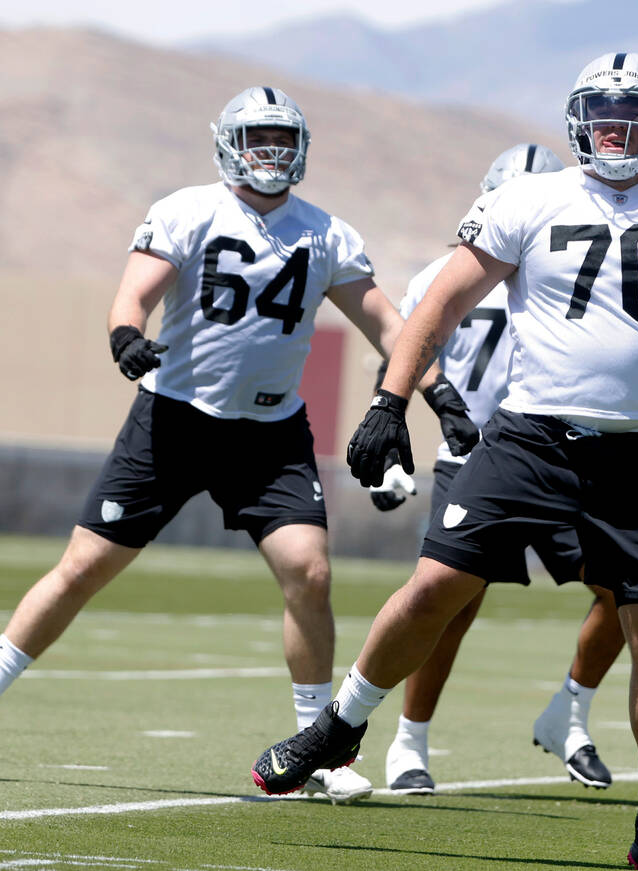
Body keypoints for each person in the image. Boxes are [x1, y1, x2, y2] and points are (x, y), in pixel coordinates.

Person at [252, 52, 638, 871]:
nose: (614, 132)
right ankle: (339, 725)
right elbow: (441, 301)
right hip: (531, 438)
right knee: (435, 587)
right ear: (579, 121)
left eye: (631, 117)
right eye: (603, 116)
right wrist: (389, 400)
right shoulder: (527, 198)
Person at [0, 86, 447, 804]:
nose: (271, 151)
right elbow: (134, 293)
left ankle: (316, 751)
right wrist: (125, 334)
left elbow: (390, 327)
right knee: (83, 567)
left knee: (310, 572)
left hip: (269, 435)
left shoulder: (327, 233)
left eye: (282, 139)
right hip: (172, 420)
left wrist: (437, 394)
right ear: (228, 144)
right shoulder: (187, 210)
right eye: (258, 138)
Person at [372, 144, 623, 794]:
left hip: (561, 456)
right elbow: (406, 354)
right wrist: (395, 442)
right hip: (474, 458)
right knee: (449, 604)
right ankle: (408, 742)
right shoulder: (446, 273)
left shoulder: (580, 269)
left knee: (626, 588)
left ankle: (569, 714)